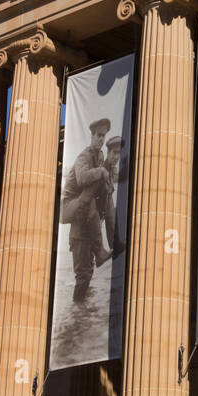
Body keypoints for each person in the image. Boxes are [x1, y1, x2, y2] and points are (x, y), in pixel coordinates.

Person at [60, 118, 113, 302]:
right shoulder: (84, 156)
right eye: (98, 135)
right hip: (69, 207)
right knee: (83, 275)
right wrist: (101, 172)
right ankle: (77, 312)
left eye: (103, 136)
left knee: (87, 273)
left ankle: (80, 313)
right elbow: (82, 179)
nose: (101, 139)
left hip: (85, 220)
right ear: (92, 136)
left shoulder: (99, 157)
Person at [100, 135, 127, 255]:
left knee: (113, 212)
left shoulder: (111, 168)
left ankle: (114, 244)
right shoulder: (102, 167)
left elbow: (116, 178)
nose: (117, 157)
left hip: (105, 202)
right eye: (114, 153)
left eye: (119, 153)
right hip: (96, 204)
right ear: (108, 152)